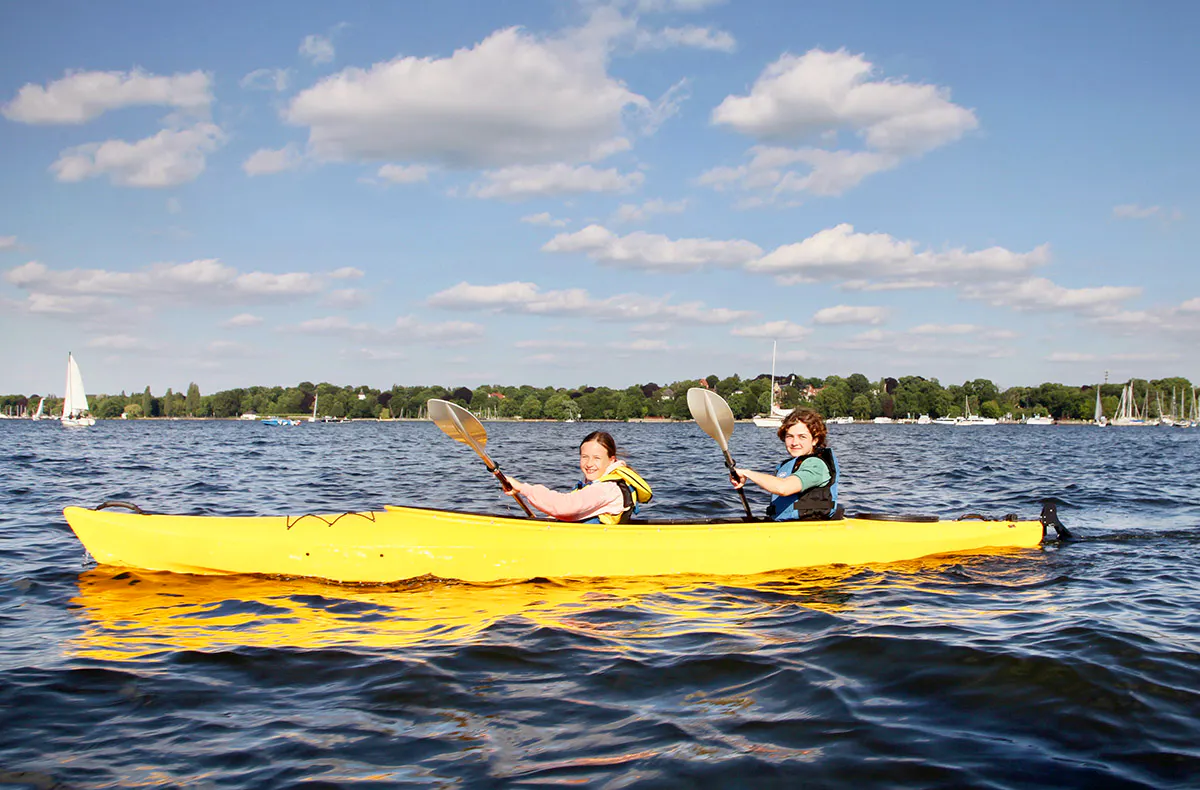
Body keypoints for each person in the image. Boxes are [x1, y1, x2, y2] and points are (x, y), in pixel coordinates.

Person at [507, 431, 652, 523]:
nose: (589, 464)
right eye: (584, 457)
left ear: (611, 460)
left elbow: (564, 506)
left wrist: (522, 488)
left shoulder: (606, 488)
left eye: (597, 458)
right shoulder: (599, 483)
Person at [732, 408, 841, 520]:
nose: (794, 443)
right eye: (790, 436)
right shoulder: (788, 465)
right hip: (786, 524)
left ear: (815, 440)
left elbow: (783, 488)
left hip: (810, 528)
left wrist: (747, 473)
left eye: (802, 437)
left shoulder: (816, 465)